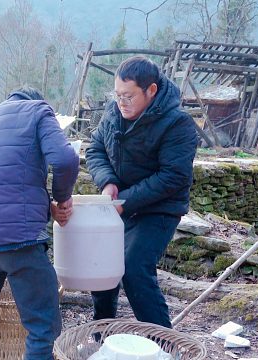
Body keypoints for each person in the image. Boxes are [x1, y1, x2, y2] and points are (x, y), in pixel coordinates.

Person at [0, 86, 79, 360]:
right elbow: (65, 159)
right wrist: (61, 199)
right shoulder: (38, 111)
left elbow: (5, 186)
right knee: (43, 326)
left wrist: (46, 207)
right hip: (20, 241)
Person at [85, 56, 198, 328]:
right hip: (119, 203)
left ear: (151, 91)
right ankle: (103, 332)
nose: (121, 102)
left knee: (134, 268)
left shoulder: (177, 124)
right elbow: (95, 149)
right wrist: (108, 182)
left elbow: (173, 176)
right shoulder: (114, 114)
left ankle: (164, 343)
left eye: (129, 96)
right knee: (102, 265)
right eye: (118, 95)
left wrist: (127, 200)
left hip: (158, 208)